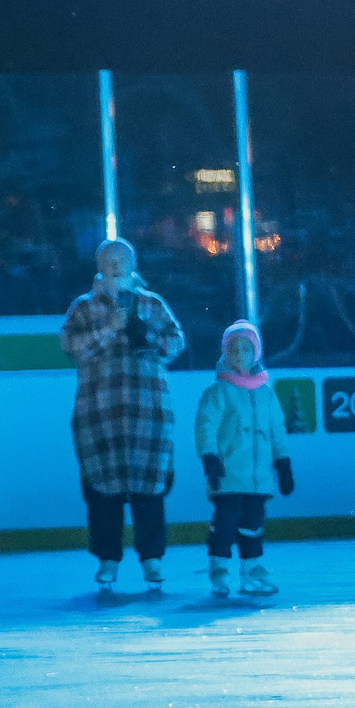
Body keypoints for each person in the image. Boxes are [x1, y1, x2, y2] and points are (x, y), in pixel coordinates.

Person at [62, 237, 186, 592]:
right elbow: (72, 347)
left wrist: (146, 336)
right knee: (103, 492)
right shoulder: (83, 308)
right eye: (109, 260)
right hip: (100, 414)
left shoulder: (151, 303)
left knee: (149, 490)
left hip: (147, 413)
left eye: (122, 260)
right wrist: (109, 330)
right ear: (98, 266)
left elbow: (175, 343)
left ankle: (152, 558)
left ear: (133, 264)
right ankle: (108, 560)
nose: (116, 267)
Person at [196, 320, 288, 600]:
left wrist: (282, 463)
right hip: (228, 474)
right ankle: (219, 571)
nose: (240, 355)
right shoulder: (218, 391)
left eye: (246, 349)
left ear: (255, 353)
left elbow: (277, 430)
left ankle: (251, 571)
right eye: (234, 349)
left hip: (258, 478)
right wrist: (210, 457)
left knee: (253, 523)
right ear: (226, 353)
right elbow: (206, 425)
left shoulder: (266, 393)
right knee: (225, 523)